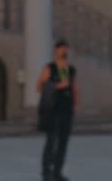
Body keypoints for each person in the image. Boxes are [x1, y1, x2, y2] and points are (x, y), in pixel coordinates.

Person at [36, 40, 78, 181]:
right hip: (53, 110)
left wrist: (75, 104)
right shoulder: (50, 68)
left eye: (65, 49)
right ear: (56, 51)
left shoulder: (71, 69)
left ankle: (57, 172)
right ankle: (46, 171)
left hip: (66, 110)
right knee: (51, 141)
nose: (64, 51)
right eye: (61, 49)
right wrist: (58, 86)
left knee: (63, 143)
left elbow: (74, 87)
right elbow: (40, 86)